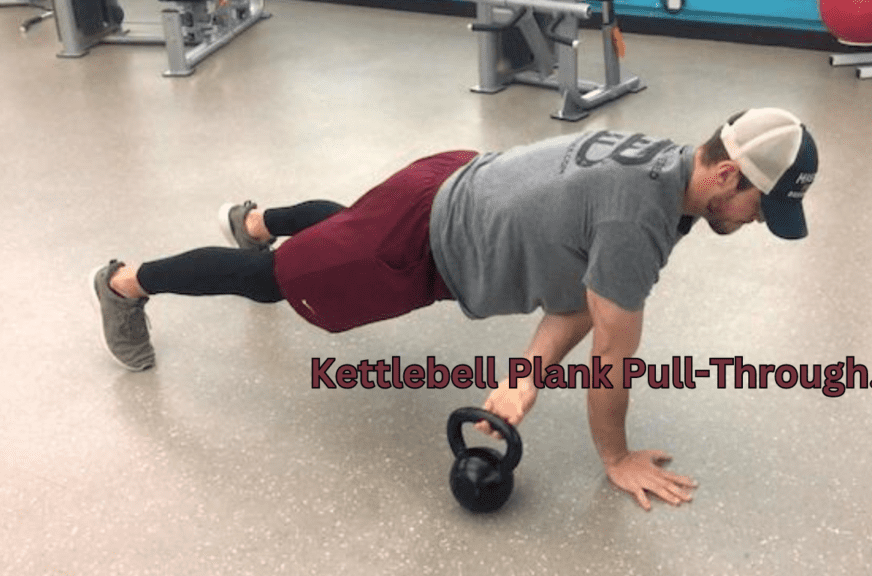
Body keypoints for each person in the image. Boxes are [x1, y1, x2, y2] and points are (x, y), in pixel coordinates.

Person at [90, 108, 818, 511]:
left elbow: (579, 296)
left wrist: (526, 377)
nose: (758, 220)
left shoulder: (668, 165)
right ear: (725, 173)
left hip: (454, 179)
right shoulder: (639, 225)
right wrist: (615, 456)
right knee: (275, 280)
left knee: (352, 226)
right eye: (761, 204)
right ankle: (125, 282)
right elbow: (610, 356)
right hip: (425, 243)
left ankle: (258, 218)